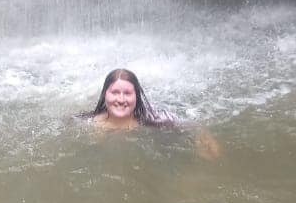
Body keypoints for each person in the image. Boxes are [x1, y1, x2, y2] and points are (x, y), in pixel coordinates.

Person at [83, 67, 221, 158]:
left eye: (127, 93)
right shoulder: (88, 123)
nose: (121, 99)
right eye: (115, 92)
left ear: (136, 97)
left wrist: (203, 135)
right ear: (104, 94)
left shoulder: (152, 118)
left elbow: (190, 124)